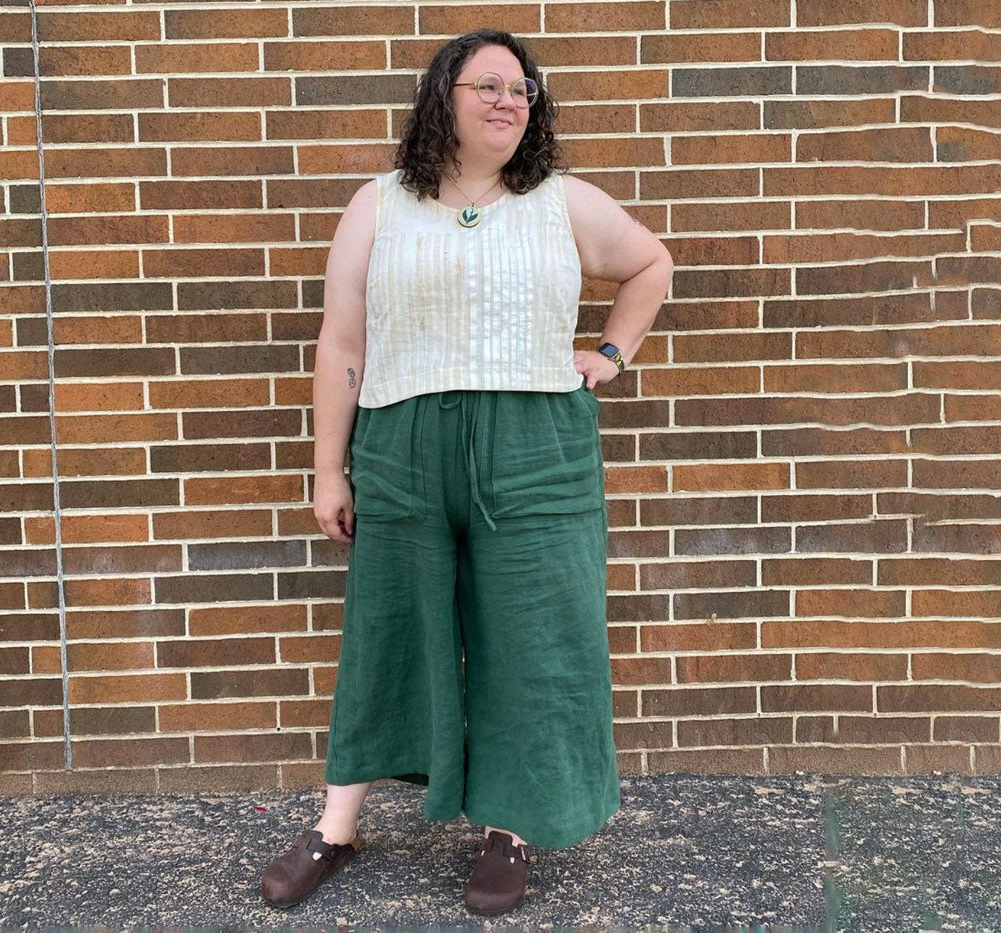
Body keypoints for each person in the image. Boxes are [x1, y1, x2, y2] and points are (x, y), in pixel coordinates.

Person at [260, 27, 673, 917]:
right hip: (402, 446)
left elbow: (650, 264)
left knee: (531, 638)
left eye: (522, 90)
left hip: (537, 449)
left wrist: (610, 352)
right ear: (441, 96)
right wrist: (328, 471)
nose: (507, 101)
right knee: (387, 632)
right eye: (487, 84)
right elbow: (342, 340)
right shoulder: (378, 204)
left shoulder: (563, 201)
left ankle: (510, 825)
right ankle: (336, 826)